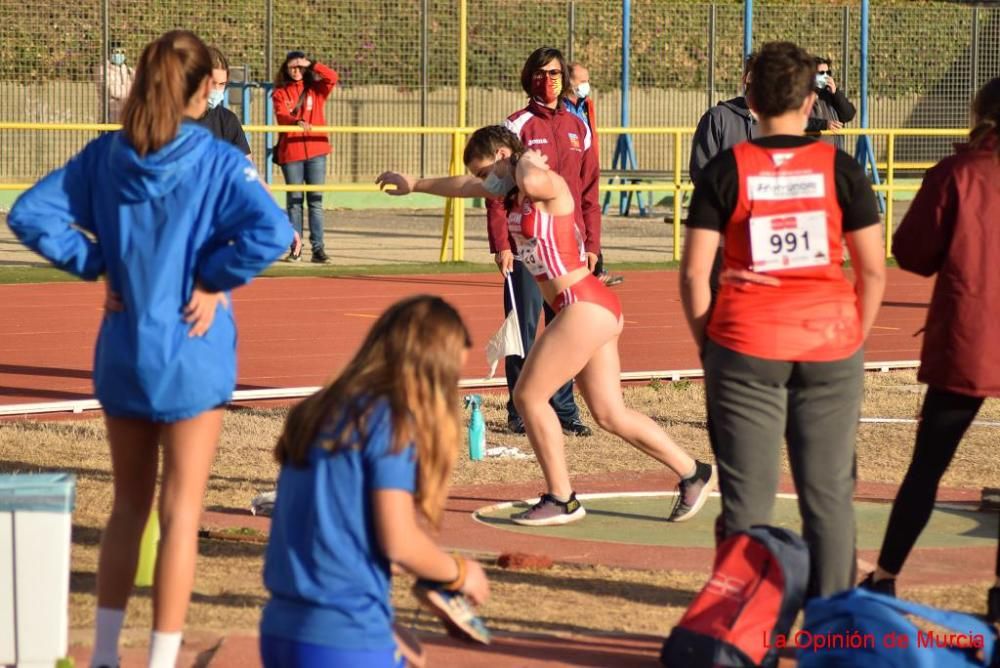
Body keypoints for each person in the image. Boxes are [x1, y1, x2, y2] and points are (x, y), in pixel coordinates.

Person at [7, 30, 292, 667]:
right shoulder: (216, 159)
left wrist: (99, 261)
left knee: (128, 508)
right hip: (194, 349)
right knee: (181, 512)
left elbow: (30, 214)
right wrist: (214, 278)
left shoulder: (107, 155)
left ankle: (106, 654)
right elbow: (274, 230)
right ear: (199, 91)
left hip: (126, 350)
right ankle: (161, 659)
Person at [377, 125, 716, 527]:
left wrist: (522, 161)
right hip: (587, 305)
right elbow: (465, 185)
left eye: (489, 169)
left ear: (505, 154)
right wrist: (415, 183)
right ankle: (693, 472)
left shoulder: (545, 181)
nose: (486, 181)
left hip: (583, 304)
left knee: (529, 397)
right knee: (609, 413)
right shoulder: (513, 189)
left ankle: (562, 498)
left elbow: (533, 176)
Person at [680, 41, 885, 597]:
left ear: (750, 95)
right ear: (809, 99)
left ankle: (744, 624)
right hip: (831, 345)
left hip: (743, 344)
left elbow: (696, 275)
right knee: (829, 496)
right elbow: (873, 272)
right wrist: (852, 339)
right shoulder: (842, 169)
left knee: (747, 500)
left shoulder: (727, 169)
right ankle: (834, 622)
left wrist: (711, 347)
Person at [260, 295, 491, 666]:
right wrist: (461, 574)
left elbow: (345, 535)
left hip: (281, 629)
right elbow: (398, 541)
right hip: (344, 634)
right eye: (450, 377)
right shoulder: (391, 423)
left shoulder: (319, 410)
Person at [861, 77, 1000, 622]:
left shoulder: (959, 172)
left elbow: (914, 254)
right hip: (971, 335)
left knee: (927, 469)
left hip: (970, 336)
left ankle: (886, 576)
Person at [487, 46, 600, 438]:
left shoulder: (579, 126)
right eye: (540, 73)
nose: (548, 80)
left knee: (565, 327)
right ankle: (519, 408)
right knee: (523, 326)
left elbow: (589, 191)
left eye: (555, 74)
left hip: (568, 248)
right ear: (528, 77)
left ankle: (564, 409)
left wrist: (593, 243)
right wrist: (501, 243)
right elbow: (496, 188)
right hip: (525, 245)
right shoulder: (516, 126)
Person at [272, 50, 339, 264]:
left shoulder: (316, 90)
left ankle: (318, 249)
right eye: (293, 66)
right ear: (285, 68)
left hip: (317, 151)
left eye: (301, 66)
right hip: (291, 152)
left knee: (316, 203)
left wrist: (312, 63)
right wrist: (295, 122)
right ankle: (296, 247)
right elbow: (282, 114)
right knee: (294, 202)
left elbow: (332, 77)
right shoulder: (280, 93)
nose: (297, 70)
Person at [563, 62, 623, 288]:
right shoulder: (561, 108)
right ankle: (587, 270)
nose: (586, 85)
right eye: (582, 81)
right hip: (569, 173)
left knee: (589, 213)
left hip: (586, 168)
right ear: (569, 82)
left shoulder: (585, 105)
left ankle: (594, 267)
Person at [194, 46, 251, 156]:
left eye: (222, 84)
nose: (217, 89)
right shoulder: (172, 120)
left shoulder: (228, 121)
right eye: (212, 83)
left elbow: (246, 166)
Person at [809, 57, 856, 149]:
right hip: (811, 154)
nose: (826, 76)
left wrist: (835, 93)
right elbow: (799, 121)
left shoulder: (830, 95)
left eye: (828, 73)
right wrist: (824, 124)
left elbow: (849, 115)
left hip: (833, 154)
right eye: (821, 73)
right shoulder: (801, 97)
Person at [94, 40, 134, 123]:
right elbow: (114, 91)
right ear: (108, 53)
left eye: (122, 52)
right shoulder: (102, 70)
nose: (120, 54)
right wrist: (134, 91)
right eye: (116, 52)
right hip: (109, 118)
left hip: (126, 118)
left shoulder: (128, 70)